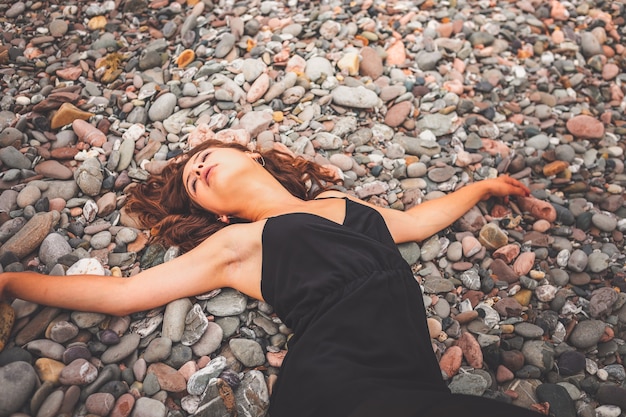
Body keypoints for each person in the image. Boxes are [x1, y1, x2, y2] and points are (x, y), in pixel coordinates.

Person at [0, 139, 542, 417]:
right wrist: (9, 283)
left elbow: (421, 219)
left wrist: (483, 187)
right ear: (218, 216)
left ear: (248, 155)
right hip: (337, 380)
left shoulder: (340, 202)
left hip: (410, 376)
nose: (198, 169)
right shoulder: (237, 244)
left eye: (203, 158)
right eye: (194, 182)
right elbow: (124, 295)